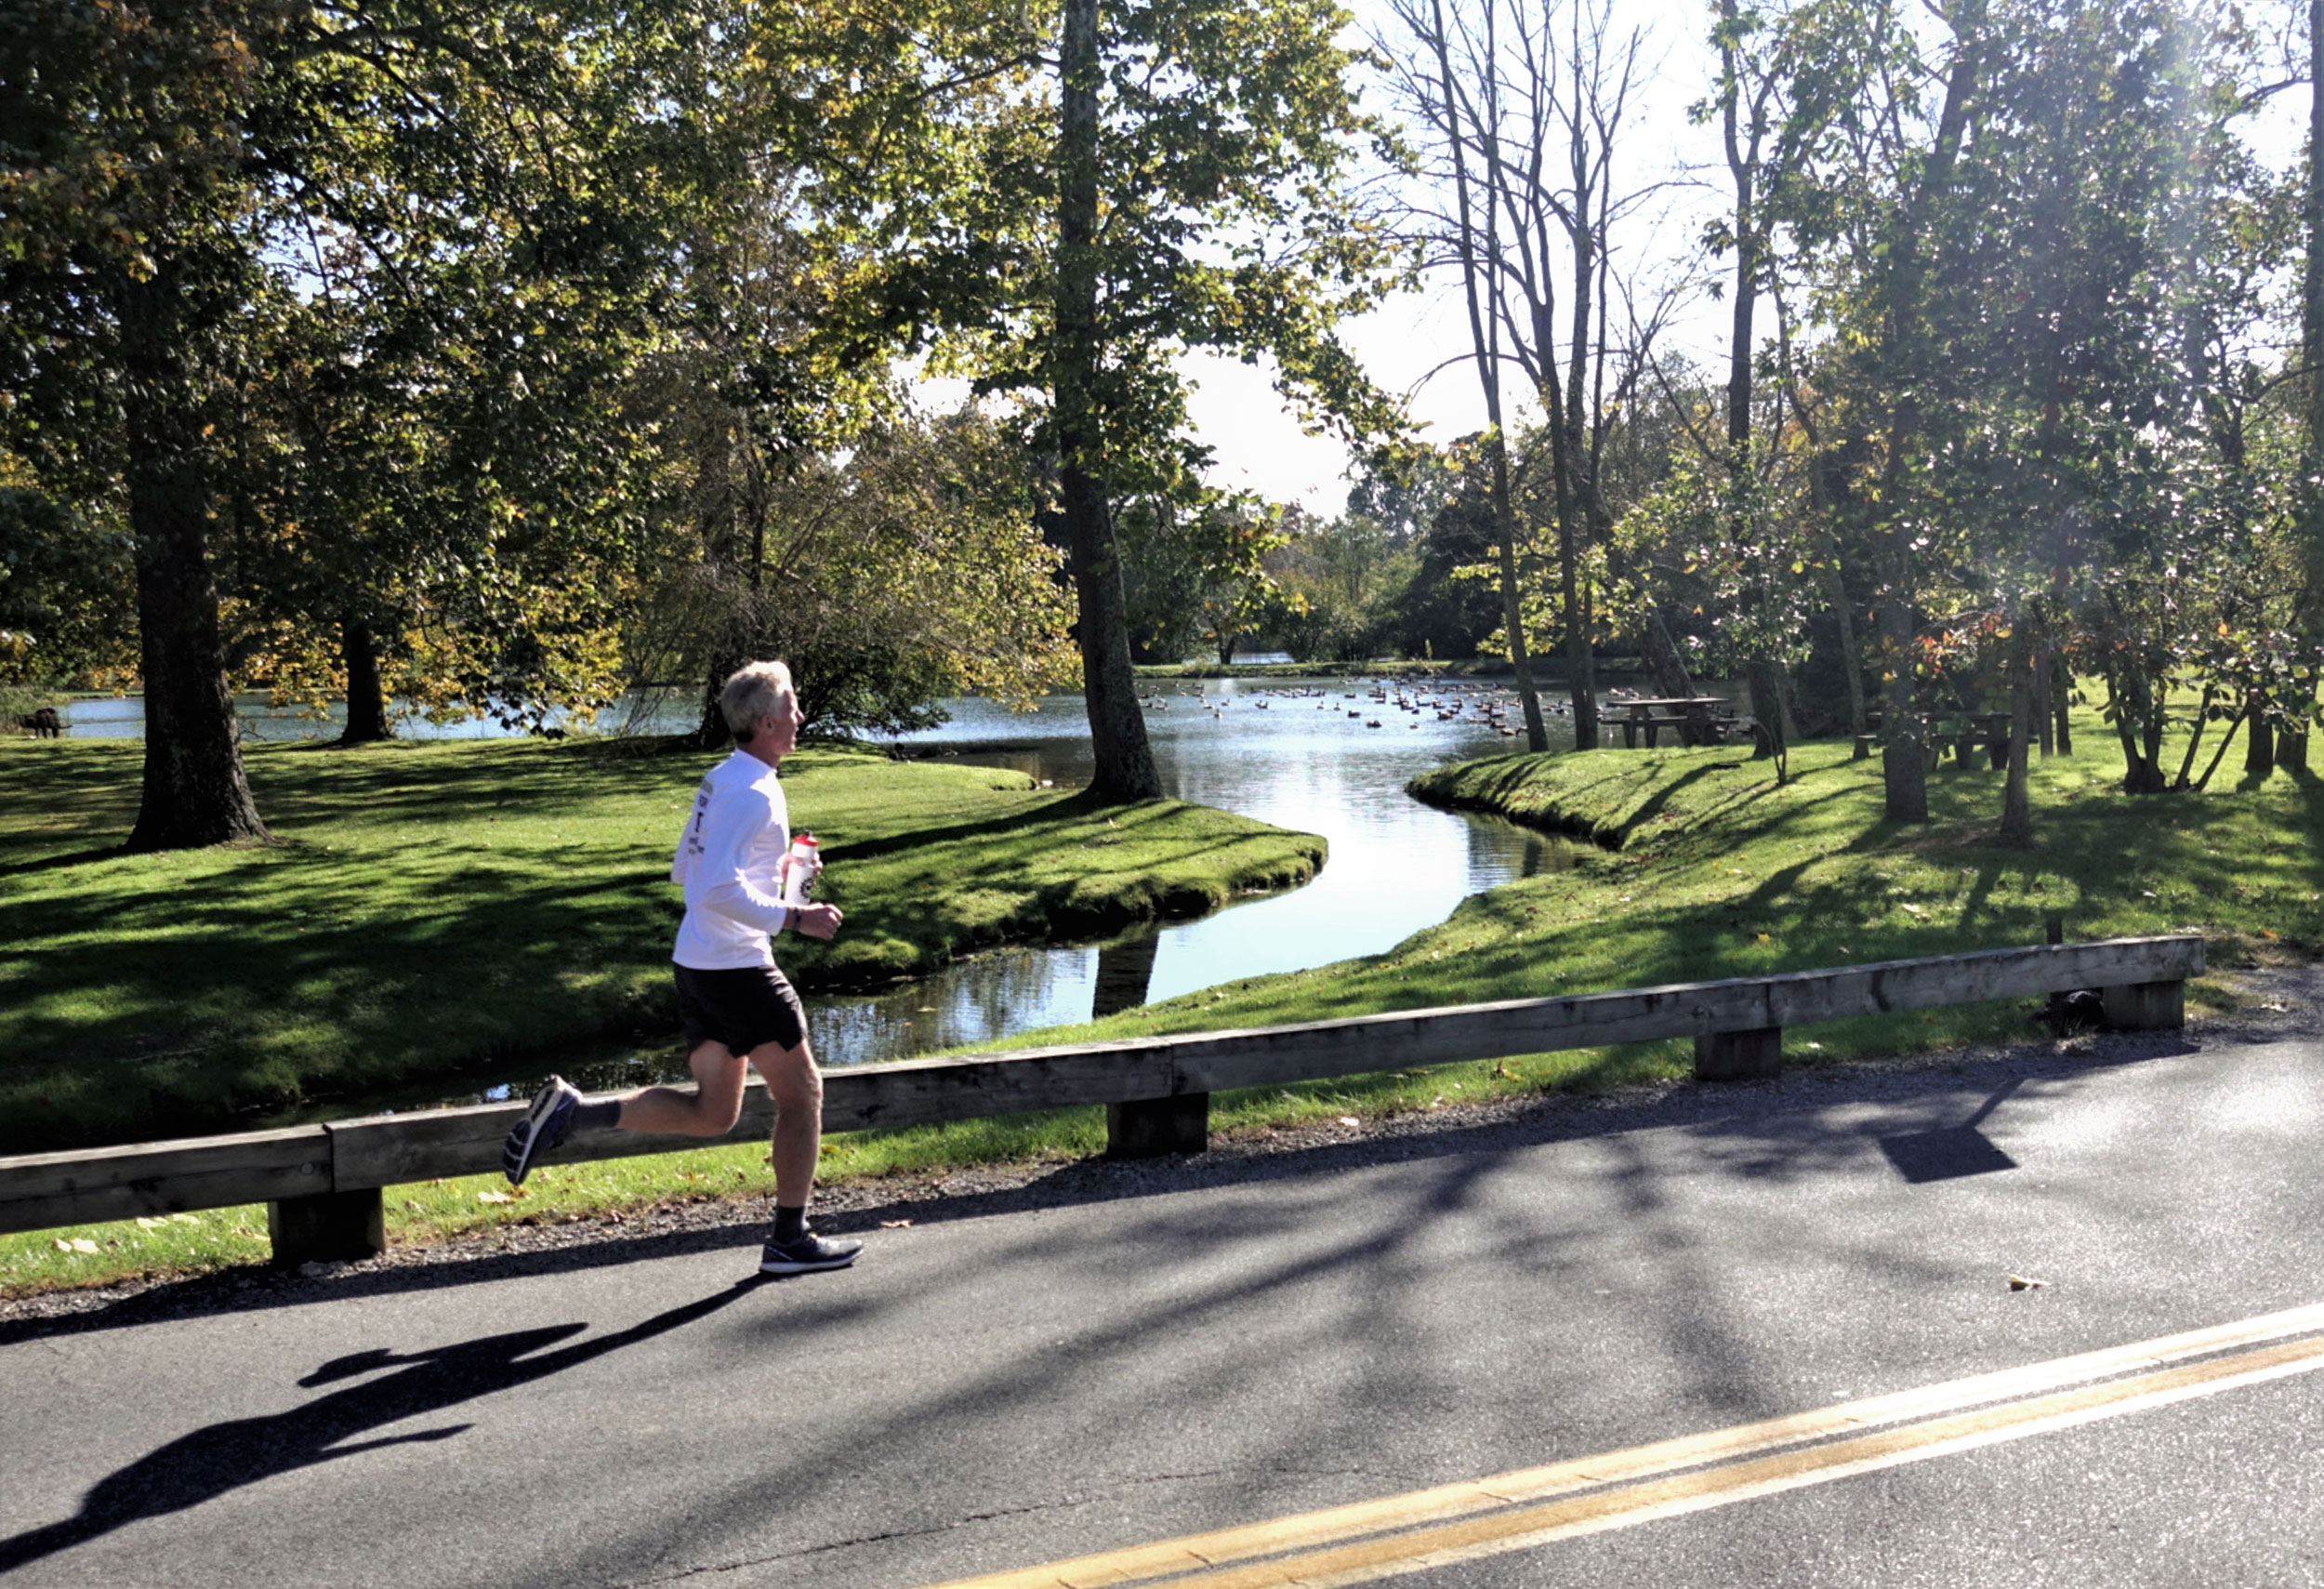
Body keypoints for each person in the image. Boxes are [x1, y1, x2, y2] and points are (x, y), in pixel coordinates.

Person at [501, 660, 863, 1276]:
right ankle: (789, 1238)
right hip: (737, 967)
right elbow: (715, 889)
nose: (802, 716)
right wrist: (796, 918)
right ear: (770, 721)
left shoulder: (722, 779)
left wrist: (781, 877)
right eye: (795, 707)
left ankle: (572, 1112)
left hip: (697, 964)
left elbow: (686, 870)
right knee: (803, 1095)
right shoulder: (752, 793)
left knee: (713, 1113)